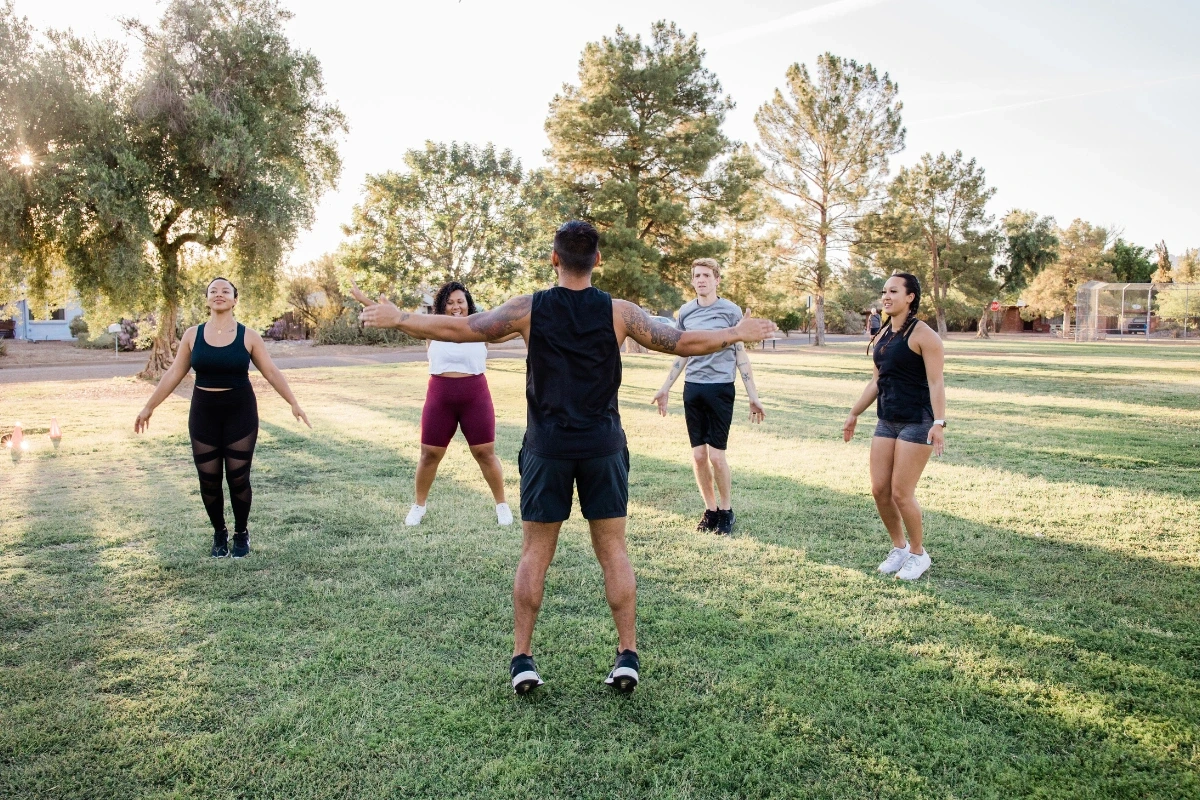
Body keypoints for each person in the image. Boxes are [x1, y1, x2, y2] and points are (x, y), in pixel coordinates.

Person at [359, 221, 777, 695]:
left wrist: (400, 319)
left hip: (547, 449)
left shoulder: (528, 308)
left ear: (554, 259)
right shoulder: (620, 313)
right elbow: (679, 342)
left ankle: (522, 659)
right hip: (602, 447)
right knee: (613, 550)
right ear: (598, 260)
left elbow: (464, 329)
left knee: (536, 551)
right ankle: (627, 655)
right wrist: (735, 332)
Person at [134, 278, 311, 558]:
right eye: (213, 291)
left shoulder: (249, 336)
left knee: (238, 478)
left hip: (240, 412)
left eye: (225, 291)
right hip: (203, 412)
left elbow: (272, 372)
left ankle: (241, 533)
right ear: (206, 300)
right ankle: (219, 532)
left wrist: (293, 402)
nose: (219, 294)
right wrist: (149, 406)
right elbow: (173, 373)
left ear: (234, 300)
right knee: (209, 479)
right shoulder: (192, 335)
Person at [842, 273, 946, 581]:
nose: (886, 296)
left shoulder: (924, 334)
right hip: (886, 419)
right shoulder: (883, 334)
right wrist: (854, 413)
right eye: (884, 291)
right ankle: (899, 548)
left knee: (902, 493)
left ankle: (918, 553)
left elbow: (936, 382)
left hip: (918, 420)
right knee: (879, 490)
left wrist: (939, 423)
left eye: (894, 291)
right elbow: (876, 381)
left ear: (910, 297)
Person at [650, 258, 765, 535]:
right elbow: (683, 353)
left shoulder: (730, 311)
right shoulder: (686, 312)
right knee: (699, 456)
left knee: (716, 455)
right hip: (694, 388)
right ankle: (710, 511)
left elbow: (740, 353)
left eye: (706, 275)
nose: (701, 280)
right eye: (696, 276)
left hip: (721, 388)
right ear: (692, 281)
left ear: (717, 280)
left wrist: (753, 395)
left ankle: (726, 511)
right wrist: (665, 386)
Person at [397, 280, 514, 527]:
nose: (456, 307)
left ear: (468, 304)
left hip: (475, 395)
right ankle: (418, 506)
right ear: (442, 307)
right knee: (429, 454)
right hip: (440, 395)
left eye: (460, 301)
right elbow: (406, 324)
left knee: (485, 452)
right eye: (450, 303)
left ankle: (502, 505)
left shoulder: (481, 328)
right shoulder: (433, 328)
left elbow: (513, 329)